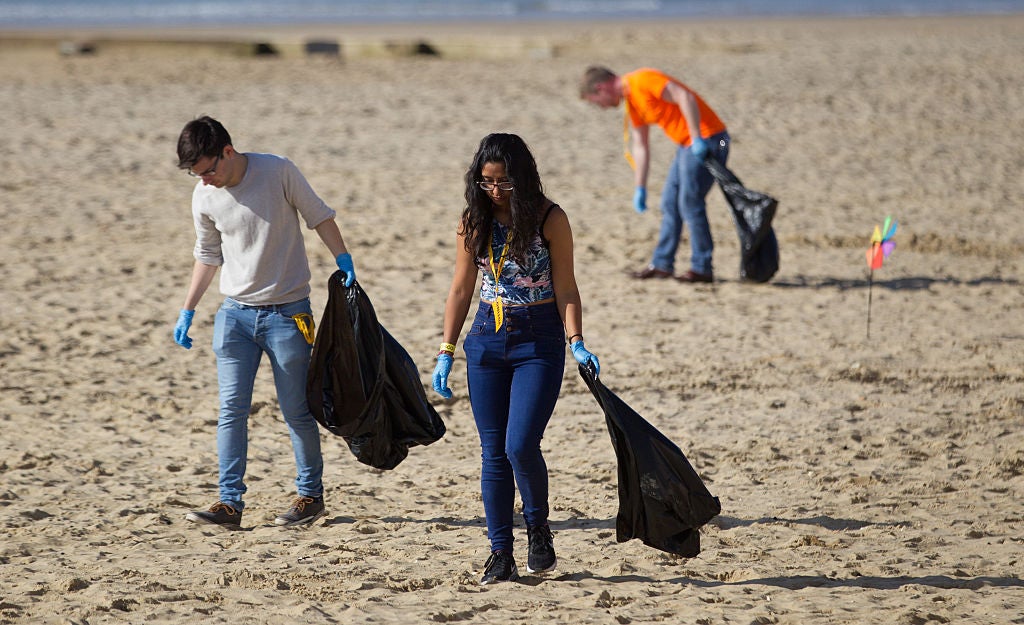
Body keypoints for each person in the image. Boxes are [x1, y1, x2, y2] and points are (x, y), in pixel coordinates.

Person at [172, 116, 357, 530]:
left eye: (208, 170)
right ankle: (229, 504)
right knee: (231, 411)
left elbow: (319, 216)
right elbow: (207, 255)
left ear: (227, 151)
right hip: (234, 317)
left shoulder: (278, 170)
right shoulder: (204, 196)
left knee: (295, 411)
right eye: (196, 175)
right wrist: (188, 310)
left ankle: (310, 497)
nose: (205, 180)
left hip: (288, 315)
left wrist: (344, 260)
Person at [432, 133, 600, 584]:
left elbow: (566, 285)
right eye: (487, 182)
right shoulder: (473, 220)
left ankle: (539, 527)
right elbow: (461, 288)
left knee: (519, 445)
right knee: (492, 453)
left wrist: (576, 340)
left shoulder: (550, 217)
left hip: (538, 341)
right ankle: (499, 553)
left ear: (521, 178)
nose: (495, 191)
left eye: (504, 183)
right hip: (487, 340)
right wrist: (446, 351)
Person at [580, 65, 730, 283]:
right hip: (685, 145)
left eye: (596, 103)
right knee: (670, 202)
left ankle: (702, 268)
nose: (601, 108)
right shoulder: (632, 103)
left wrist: (697, 138)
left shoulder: (642, 80)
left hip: (710, 138)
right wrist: (640, 187)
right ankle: (662, 264)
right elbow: (641, 146)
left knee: (690, 202)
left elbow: (684, 96)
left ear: (601, 88)